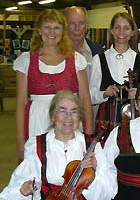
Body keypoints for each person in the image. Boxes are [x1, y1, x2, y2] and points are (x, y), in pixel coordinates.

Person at [15, 9, 94, 161]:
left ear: (62, 31)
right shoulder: (25, 61)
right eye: (47, 27)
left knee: (71, 162)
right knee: (39, 164)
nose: (52, 32)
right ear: (39, 30)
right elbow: (20, 103)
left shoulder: (76, 60)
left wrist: (89, 135)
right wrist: (20, 141)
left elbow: (85, 98)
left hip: (70, 120)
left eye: (57, 27)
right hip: (36, 122)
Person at [89, 12, 140, 139]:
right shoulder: (98, 60)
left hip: (133, 116)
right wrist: (104, 94)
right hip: (107, 118)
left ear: (132, 32)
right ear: (111, 30)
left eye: (126, 28)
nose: (121, 32)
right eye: (117, 27)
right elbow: (90, 96)